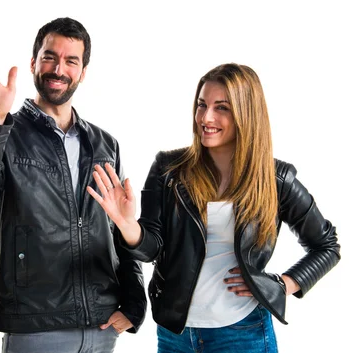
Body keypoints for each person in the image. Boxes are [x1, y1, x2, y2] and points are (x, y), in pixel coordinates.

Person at [87, 63, 341, 353]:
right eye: (201, 105)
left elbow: (327, 245)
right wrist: (128, 225)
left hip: (244, 332)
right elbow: (152, 249)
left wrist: (282, 285)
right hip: (176, 335)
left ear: (247, 114)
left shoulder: (275, 179)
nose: (206, 117)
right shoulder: (169, 170)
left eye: (222, 108)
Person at [0, 17, 146, 353]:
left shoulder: (105, 145)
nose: (59, 69)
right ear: (33, 63)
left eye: (71, 61)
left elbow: (121, 229)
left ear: (83, 72)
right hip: (37, 326)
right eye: (49, 57)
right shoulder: (6, 134)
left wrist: (134, 305)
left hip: (102, 327)